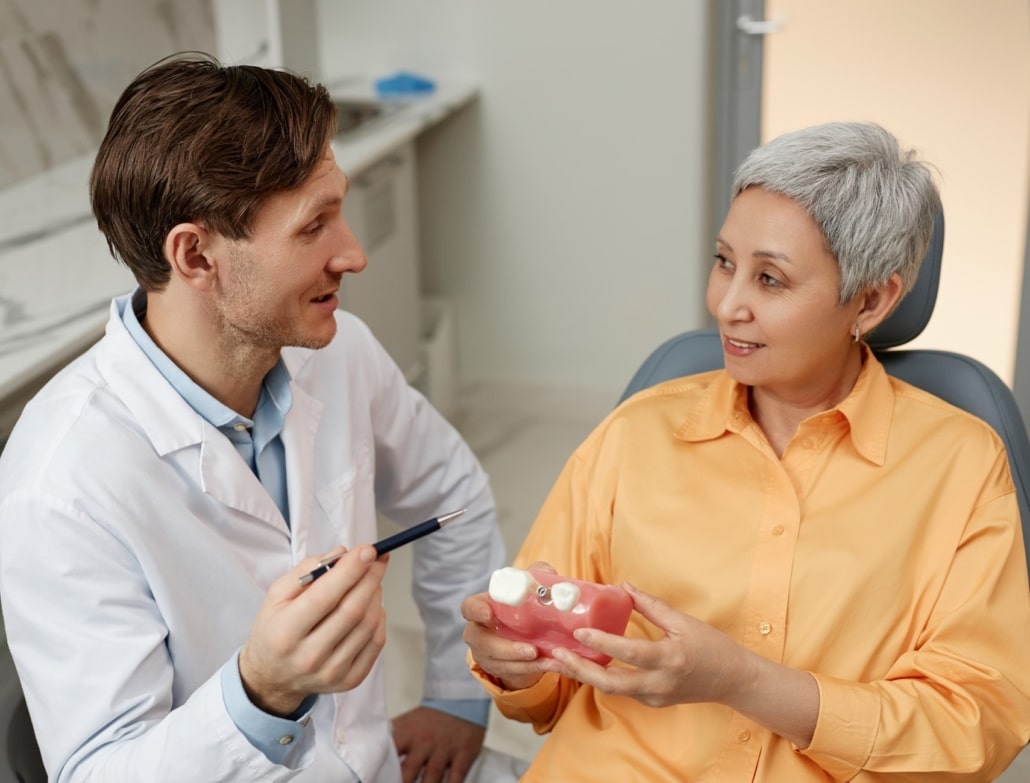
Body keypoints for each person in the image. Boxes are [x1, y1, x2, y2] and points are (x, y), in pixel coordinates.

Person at [462, 121, 1030, 780]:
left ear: (870, 301)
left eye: (771, 279)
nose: (727, 304)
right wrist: (514, 661)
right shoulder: (636, 433)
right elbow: (545, 690)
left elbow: (975, 723)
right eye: (725, 262)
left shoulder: (959, 463)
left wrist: (742, 680)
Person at [0, 52, 507, 783]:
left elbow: (451, 496)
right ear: (196, 255)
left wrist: (458, 697)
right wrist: (260, 692)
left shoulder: (338, 352)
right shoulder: (59, 483)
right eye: (315, 226)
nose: (354, 253)